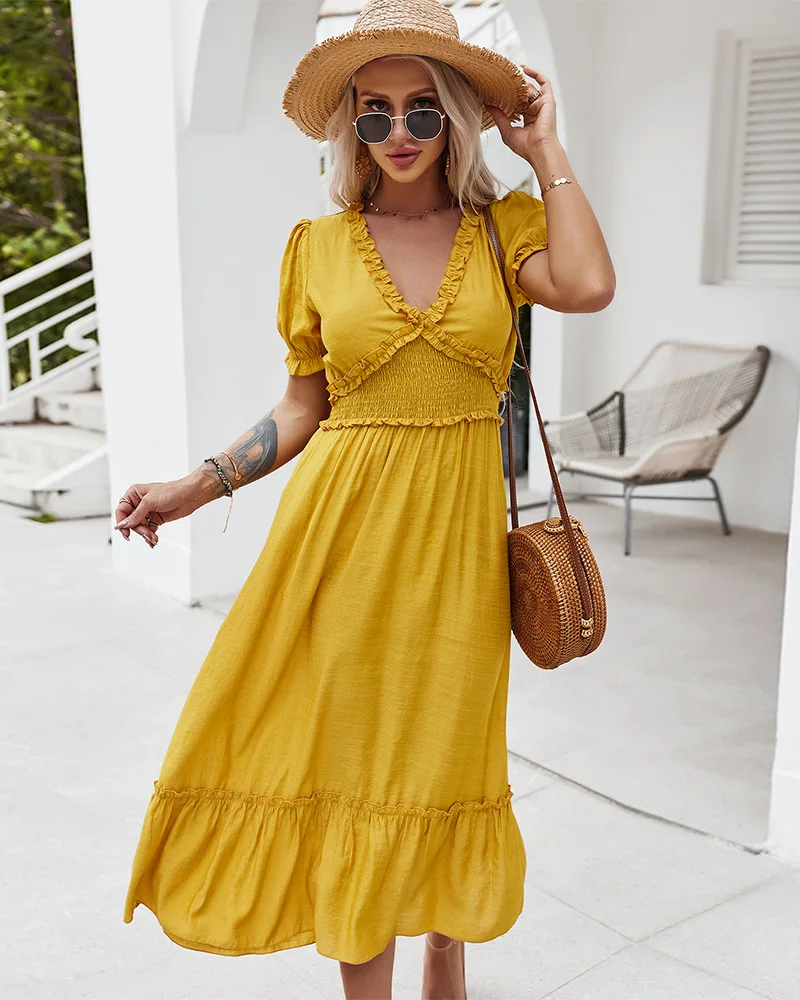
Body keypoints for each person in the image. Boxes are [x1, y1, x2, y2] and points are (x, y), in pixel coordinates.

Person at [118, 0, 615, 997]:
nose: (398, 133)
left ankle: (446, 940)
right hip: (338, 540)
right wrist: (193, 486)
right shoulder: (317, 245)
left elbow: (587, 284)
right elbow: (302, 408)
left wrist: (544, 149)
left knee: (445, 755)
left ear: (455, 119)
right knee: (354, 765)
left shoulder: (502, 230)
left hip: (457, 549)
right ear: (351, 124)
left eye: (422, 109)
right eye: (374, 112)